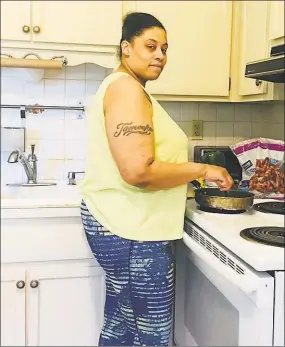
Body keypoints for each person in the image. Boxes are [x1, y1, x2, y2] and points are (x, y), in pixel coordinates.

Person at [79, 11, 233, 347]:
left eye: (164, 48)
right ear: (126, 47)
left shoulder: (127, 88)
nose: (160, 55)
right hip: (132, 232)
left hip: (127, 226)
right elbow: (138, 170)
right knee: (149, 336)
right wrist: (203, 170)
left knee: (122, 328)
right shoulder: (126, 90)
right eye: (150, 46)